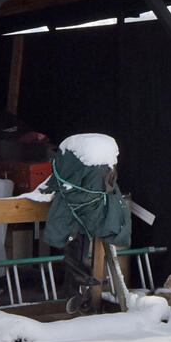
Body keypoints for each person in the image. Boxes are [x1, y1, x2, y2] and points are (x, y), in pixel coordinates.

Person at [36, 132, 130, 312]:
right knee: (79, 241)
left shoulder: (80, 158)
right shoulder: (103, 162)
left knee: (75, 240)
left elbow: (63, 182)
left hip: (80, 209)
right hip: (94, 209)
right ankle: (79, 288)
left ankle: (78, 288)